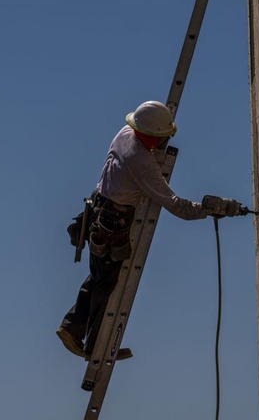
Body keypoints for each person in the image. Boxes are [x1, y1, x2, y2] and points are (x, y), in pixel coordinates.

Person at [57, 100, 209, 360]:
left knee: (98, 277)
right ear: (150, 136)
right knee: (107, 284)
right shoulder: (142, 163)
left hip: (98, 209)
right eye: (161, 138)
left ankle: (72, 327)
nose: (163, 144)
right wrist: (205, 209)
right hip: (112, 219)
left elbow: (152, 120)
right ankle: (97, 347)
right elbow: (174, 204)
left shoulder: (125, 133)